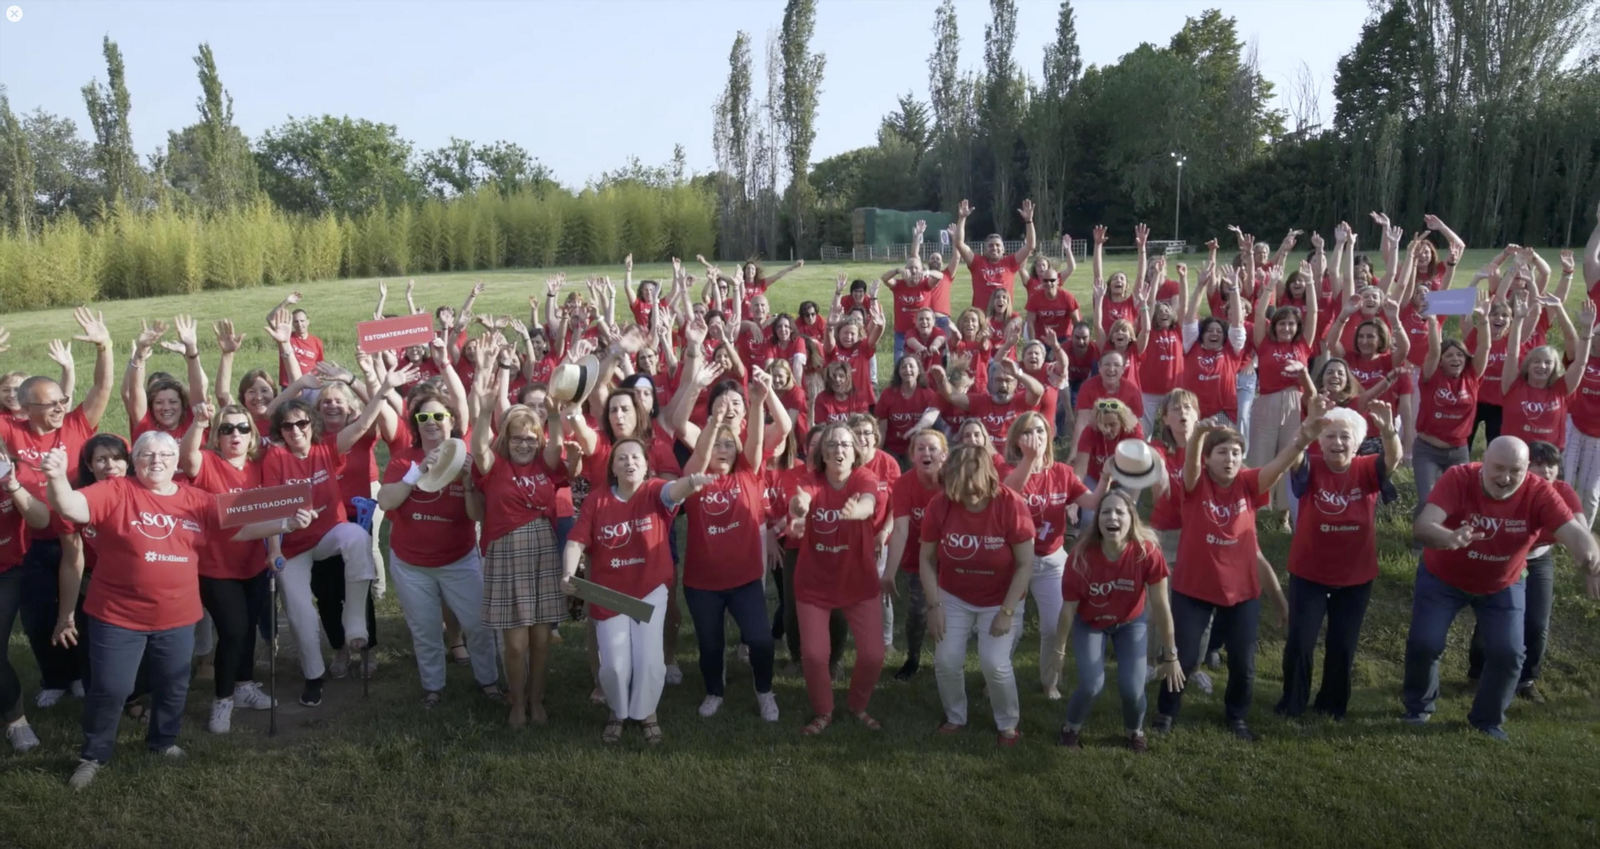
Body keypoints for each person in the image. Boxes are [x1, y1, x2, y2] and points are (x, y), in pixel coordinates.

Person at [41, 433, 304, 790]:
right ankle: (94, 754)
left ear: (176, 461)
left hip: (178, 615)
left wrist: (285, 524)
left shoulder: (197, 500)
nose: (156, 460)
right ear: (135, 460)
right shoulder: (117, 491)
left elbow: (240, 527)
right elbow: (71, 507)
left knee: (173, 686)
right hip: (117, 614)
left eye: (165, 454)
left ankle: (163, 742)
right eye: (147, 454)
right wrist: (56, 477)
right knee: (110, 688)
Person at [1406, 436, 1600, 740]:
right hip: (1443, 578)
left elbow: (1575, 531)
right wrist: (1448, 538)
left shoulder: (1538, 491)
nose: (1505, 478)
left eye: (1515, 471)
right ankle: (1418, 707)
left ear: (1527, 470)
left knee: (1508, 654)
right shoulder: (1459, 478)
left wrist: (1590, 557)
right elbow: (1423, 525)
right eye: (1497, 468)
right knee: (1425, 643)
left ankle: (1487, 720)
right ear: (1483, 463)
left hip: (1502, 584)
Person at [1154, 416, 1305, 740]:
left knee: (1243, 662)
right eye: (1222, 452)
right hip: (1193, 588)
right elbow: (1190, 467)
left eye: (1236, 452)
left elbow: (1278, 467)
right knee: (1185, 655)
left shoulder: (1249, 484)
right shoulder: (1194, 487)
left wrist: (1303, 439)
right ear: (1207, 458)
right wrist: (1197, 437)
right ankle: (1166, 711)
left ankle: (1236, 716)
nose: (1230, 458)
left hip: (1241, 591)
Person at [562, 440, 712, 745]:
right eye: (621, 458)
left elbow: (674, 491)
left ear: (645, 465)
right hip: (609, 594)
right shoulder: (596, 501)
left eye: (635, 458)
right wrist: (568, 572)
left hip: (649, 589)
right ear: (613, 467)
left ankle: (647, 713)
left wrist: (692, 483)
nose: (629, 462)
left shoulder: (655, 491)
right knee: (615, 666)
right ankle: (617, 710)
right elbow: (576, 541)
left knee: (650, 660)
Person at [0, 307, 114, 708]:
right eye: (49, 404)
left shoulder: (76, 426)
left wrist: (105, 346)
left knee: (78, 611)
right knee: (35, 614)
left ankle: (80, 674)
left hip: (73, 538)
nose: (59, 407)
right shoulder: (10, 429)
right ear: (25, 407)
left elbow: (101, 389)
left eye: (62, 400)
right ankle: (54, 677)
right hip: (28, 541)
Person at [260, 388, 395, 707]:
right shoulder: (275, 458)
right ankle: (313, 676)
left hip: (327, 534)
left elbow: (362, 425)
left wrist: (384, 389)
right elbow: (271, 509)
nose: (296, 431)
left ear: (312, 424)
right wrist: (273, 550)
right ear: (281, 432)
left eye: (302, 424)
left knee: (358, 537)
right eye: (288, 427)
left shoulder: (326, 448)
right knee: (301, 613)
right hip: (292, 546)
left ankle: (355, 623)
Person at [377, 383, 503, 709]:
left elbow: (478, 516)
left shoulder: (468, 459)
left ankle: (488, 681)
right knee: (426, 629)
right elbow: (385, 500)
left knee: (478, 624)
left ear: (451, 420)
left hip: (459, 560)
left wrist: (468, 483)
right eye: (423, 417)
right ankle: (433, 687)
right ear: (416, 425)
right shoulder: (404, 461)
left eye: (438, 415)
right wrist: (419, 471)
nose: (431, 422)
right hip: (411, 564)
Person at [1277, 403, 1400, 719]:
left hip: (1356, 576)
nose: (1337, 443)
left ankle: (1331, 706)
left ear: (1356, 442)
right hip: (1309, 571)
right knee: (1300, 643)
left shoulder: (1367, 469)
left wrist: (1388, 431)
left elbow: (1393, 459)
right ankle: (1292, 702)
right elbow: (1293, 459)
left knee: (1342, 645)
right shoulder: (1312, 464)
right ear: (1321, 440)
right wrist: (1304, 434)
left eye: (1345, 436)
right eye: (1330, 435)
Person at [679, 368, 783, 721]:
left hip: (744, 581)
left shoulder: (748, 473)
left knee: (761, 640)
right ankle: (714, 691)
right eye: (716, 445)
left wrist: (756, 403)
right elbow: (699, 450)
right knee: (710, 645)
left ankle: (764, 691)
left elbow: (753, 442)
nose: (722, 449)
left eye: (728, 444)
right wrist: (715, 423)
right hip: (701, 583)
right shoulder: (694, 479)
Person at [920, 444, 1036, 745]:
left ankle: (1008, 724)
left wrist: (1007, 611)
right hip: (954, 593)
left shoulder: (1011, 504)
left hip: (1001, 597)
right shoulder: (940, 505)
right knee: (946, 660)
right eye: (962, 484)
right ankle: (955, 715)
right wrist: (934, 605)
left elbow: (1025, 565)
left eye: (975, 483)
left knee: (994, 663)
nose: (970, 492)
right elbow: (926, 559)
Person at [1049, 487, 1180, 752]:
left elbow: (1162, 606)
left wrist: (1171, 654)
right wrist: (1058, 651)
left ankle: (1135, 730)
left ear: (1132, 519)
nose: (1113, 517)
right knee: (1091, 685)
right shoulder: (1081, 556)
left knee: (1132, 689)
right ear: (1097, 520)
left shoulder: (1147, 553)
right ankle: (1070, 728)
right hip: (1091, 624)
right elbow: (1067, 610)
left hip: (1130, 624)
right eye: (1106, 512)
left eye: (1120, 512)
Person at [471, 395, 574, 728]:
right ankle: (517, 702)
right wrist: (485, 410)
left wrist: (555, 415)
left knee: (541, 640)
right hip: (505, 555)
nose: (524, 444)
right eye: (517, 437)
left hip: (543, 552)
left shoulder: (546, 465)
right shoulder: (493, 466)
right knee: (515, 644)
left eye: (531, 438)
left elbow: (556, 444)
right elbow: (478, 448)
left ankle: (536, 700)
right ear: (505, 438)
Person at [178, 403, 279, 733]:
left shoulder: (259, 465)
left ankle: (245, 685)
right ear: (216, 436)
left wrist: (274, 548)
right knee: (233, 631)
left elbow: (273, 506)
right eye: (226, 429)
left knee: (248, 628)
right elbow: (187, 456)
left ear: (252, 434)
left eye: (242, 428)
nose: (235, 434)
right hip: (214, 566)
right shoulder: (207, 463)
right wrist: (199, 422)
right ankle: (222, 701)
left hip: (252, 562)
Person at [784, 422, 886, 735]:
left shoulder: (864, 477)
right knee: (814, 655)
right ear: (822, 455)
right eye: (831, 445)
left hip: (858, 581)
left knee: (873, 655)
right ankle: (823, 711)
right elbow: (800, 503)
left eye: (844, 444)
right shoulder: (810, 480)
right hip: (815, 582)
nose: (838, 450)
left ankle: (857, 705)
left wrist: (860, 511)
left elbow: (869, 501)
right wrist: (798, 512)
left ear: (855, 451)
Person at [1464, 440, 1583, 705]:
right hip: (1504, 559)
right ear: (1526, 468)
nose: (1546, 471)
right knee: (1490, 617)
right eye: (1538, 464)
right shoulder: (1513, 489)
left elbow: (1580, 528)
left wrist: (1589, 560)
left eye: (1551, 465)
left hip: (1538, 560)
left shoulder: (1563, 492)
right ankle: (1477, 673)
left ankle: (1527, 680)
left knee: (1537, 623)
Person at [1002, 411, 1106, 699]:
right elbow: (1009, 492)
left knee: (1053, 626)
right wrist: (1029, 460)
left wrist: (1106, 478)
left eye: (1040, 431)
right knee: (1011, 627)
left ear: (1049, 436)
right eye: (1027, 432)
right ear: (1016, 439)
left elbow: (1091, 501)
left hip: (1050, 558)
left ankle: (1050, 681)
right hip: (1012, 562)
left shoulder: (1062, 472)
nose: (1034, 437)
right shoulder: (1005, 468)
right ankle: (998, 676)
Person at [1249, 264, 1317, 528]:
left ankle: (1284, 514)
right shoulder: (1265, 343)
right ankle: (1257, 510)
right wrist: (1270, 285)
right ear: (1274, 326)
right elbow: (1258, 314)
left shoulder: (1302, 344)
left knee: (1290, 456)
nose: (1287, 328)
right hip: (1266, 402)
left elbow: (1312, 313)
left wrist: (1310, 284)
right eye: (1282, 323)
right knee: (1262, 457)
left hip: (1294, 403)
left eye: (1291, 324)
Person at [880, 429, 948, 681]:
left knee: (951, 612)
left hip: (955, 558)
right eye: (920, 448)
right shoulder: (905, 483)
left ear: (944, 455)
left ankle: (948, 661)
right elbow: (900, 528)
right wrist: (889, 572)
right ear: (911, 455)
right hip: (918, 559)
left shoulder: (953, 481)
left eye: (932, 448)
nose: (926, 453)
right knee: (919, 611)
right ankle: (913, 658)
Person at [0, 438, 51, 753]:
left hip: (7, 571)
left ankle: (16, 721)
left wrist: (15, 488)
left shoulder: (18, 474)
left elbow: (41, 520)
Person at [1413, 309, 1490, 514]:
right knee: (1427, 500)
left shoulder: (1472, 377)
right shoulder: (1431, 376)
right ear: (1441, 360)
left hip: (1458, 451)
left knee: (1459, 502)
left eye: (1459, 354)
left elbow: (1484, 347)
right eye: (1449, 355)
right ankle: (1420, 546)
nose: (1455, 358)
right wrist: (1432, 322)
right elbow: (1433, 351)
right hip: (1427, 449)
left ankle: (1451, 543)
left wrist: (1483, 321)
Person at [1500, 296, 1591, 451]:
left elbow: (1580, 363)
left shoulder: (1561, 389)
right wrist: (1518, 321)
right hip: (1514, 454)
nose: (1542, 366)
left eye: (1548, 363)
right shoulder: (1513, 385)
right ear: (1527, 365)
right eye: (1536, 361)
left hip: (1548, 458)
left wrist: (1587, 330)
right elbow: (1512, 353)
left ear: (1555, 367)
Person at [953, 198, 1035, 310]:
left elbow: (1030, 246)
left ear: (1003, 249)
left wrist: (1029, 221)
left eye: (997, 245)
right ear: (985, 249)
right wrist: (962, 218)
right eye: (990, 245)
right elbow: (959, 243)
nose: (994, 248)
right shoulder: (977, 262)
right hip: (981, 316)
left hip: (1003, 316)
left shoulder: (1010, 262)